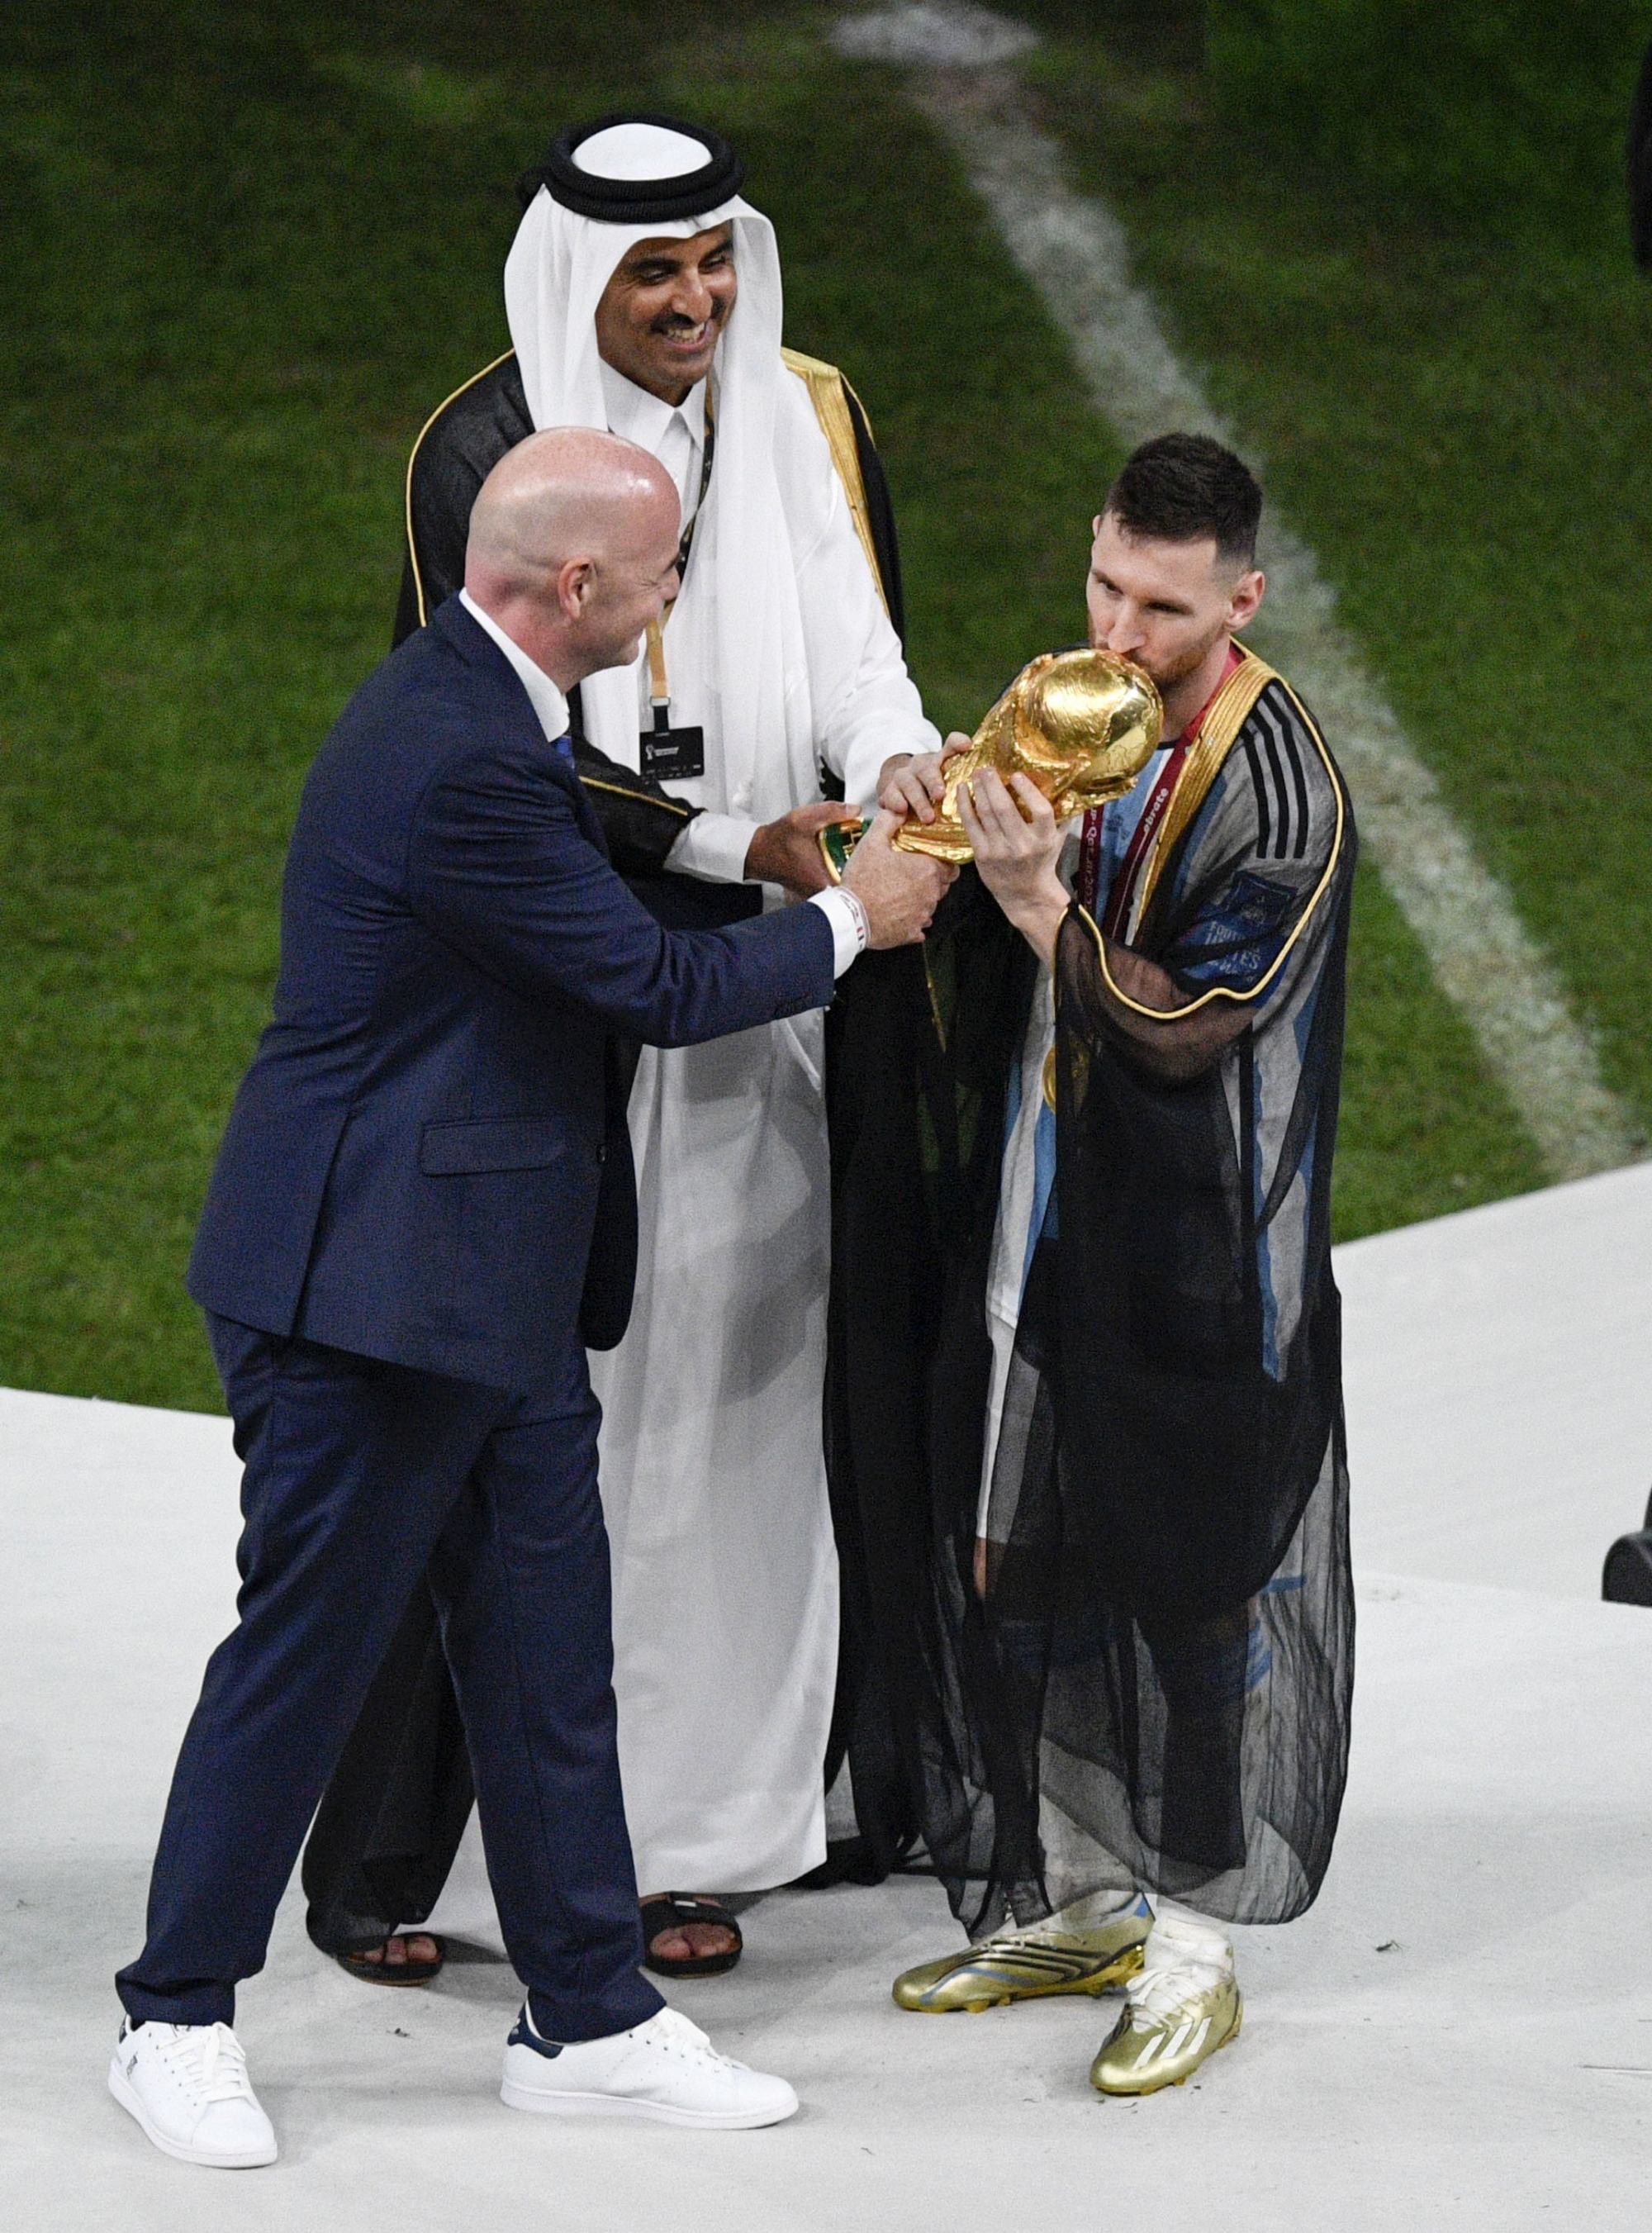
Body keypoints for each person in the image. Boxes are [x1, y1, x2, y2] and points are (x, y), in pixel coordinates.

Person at [109, 427, 950, 2167]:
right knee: (306, 1660)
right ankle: (174, 2012)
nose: (668, 603)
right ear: (573, 588)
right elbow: (637, 978)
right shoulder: (456, 753)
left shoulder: (482, 703)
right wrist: (858, 919)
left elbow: (594, 868)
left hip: (484, 1287)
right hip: (365, 1297)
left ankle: (587, 2010)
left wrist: (747, 851)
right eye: (655, 579)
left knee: (549, 1660)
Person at [304, 112, 942, 1988]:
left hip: (781, 973)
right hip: (565, 984)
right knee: (527, 1424)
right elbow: (507, 750)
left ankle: (706, 1827)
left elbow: (857, 638)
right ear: (580, 280)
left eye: (714, 261)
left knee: (738, 1408)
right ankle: (414, 1847)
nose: (694, 301)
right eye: (652, 274)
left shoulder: (805, 406)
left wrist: (890, 757)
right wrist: (734, 846)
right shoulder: (485, 456)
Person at [842, 434, 1355, 2096]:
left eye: (1162, 606)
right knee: (1014, 1554)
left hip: (1202, 1255)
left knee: (1188, 1590)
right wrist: (928, 803)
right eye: (1103, 586)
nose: (1119, 632)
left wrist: (1040, 903)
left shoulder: (1281, 790)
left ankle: (1193, 1951)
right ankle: (1084, 1896)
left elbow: (1194, 1035)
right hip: (1042, 1203)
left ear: (1243, 597)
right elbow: (942, 866)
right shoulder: (1080, 704)